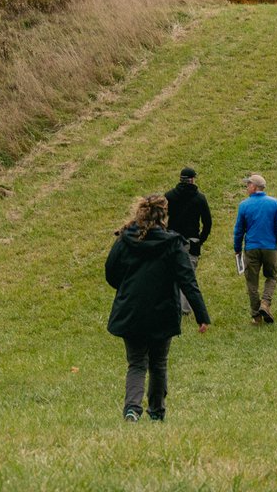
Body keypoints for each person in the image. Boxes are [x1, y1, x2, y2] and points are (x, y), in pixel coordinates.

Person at [106, 194, 210, 422]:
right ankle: (156, 411)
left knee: (136, 363)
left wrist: (127, 287)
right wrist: (201, 315)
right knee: (158, 363)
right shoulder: (172, 243)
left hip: (131, 309)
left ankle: (132, 408)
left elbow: (111, 273)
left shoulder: (125, 239)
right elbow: (188, 281)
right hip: (163, 310)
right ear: (165, 216)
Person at [233, 173, 277, 324]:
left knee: (252, 283)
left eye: (248, 184)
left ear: (254, 187)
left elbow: (239, 230)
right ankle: (265, 303)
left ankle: (256, 316)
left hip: (251, 248)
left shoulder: (244, 205)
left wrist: (237, 248)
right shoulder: (274, 203)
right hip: (270, 247)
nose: (246, 187)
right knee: (271, 276)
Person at [164, 166, 212, 316]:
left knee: (172, 273)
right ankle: (185, 308)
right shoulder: (199, 198)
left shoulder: (169, 196)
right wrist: (200, 240)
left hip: (172, 240)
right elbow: (207, 223)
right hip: (191, 242)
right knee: (189, 275)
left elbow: (162, 219)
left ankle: (173, 305)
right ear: (192, 180)